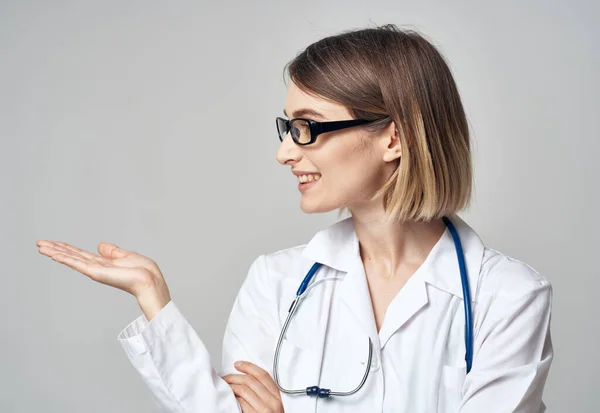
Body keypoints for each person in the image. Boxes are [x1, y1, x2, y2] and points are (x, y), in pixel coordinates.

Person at [36, 24, 553, 413]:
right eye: (287, 127)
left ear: (394, 138)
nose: (285, 152)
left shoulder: (508, 296)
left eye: (308, 128)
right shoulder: (277, 281)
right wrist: (153, 298)